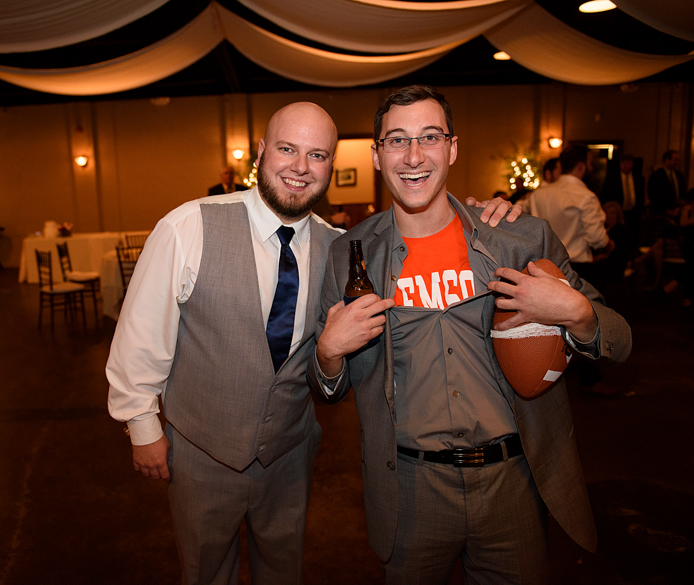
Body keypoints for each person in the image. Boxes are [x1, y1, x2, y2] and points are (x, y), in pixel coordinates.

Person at [105, 101, 520, 585]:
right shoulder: (188, 226)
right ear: (261, 152)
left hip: (290, 452)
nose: (301, 168)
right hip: (201, 450)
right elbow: (141, 330)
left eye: (318, 155)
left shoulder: (342, 248)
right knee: (204, 572)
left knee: (284, 570)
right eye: (287, 149)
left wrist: (487, 213)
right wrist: (142, 425)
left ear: (331, 166)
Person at [308, 85, 631, 584]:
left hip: (513, 485)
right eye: (396, 140)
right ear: (376, 156)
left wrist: (578, 311)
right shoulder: (349, 256)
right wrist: (328, 353)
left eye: (429, 137)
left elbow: (620, 341)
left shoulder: (517, 238)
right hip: (411, 491)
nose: (414, 156)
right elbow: (328, 385)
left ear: (452, 148)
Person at [527, 145, 614, 283]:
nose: (591, 168)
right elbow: (596, 237)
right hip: (576, 268)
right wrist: (609, 244)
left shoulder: (538, 194)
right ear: (581, 166)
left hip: (543, 267)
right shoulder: (585, 196)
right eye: (590, 164)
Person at [601, 154, 645, 245]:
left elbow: (641, 196)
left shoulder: (638, 179)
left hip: (633, 213)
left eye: (628, 163)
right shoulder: (612, 178)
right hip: (617, 212)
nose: (625, 165)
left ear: (632, 164)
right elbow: (604, 195)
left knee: (633, 235)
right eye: (623, 163)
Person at [647, 149, 686, 218]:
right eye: (675, 160)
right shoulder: (656, 175)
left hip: (677, 213)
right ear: (667, 160)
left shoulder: (679, 175)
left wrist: (679, 208)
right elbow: (653, 195)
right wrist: (665, 210)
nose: (677, 162)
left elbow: (682, 193)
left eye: (678, 160)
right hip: (660, 214)